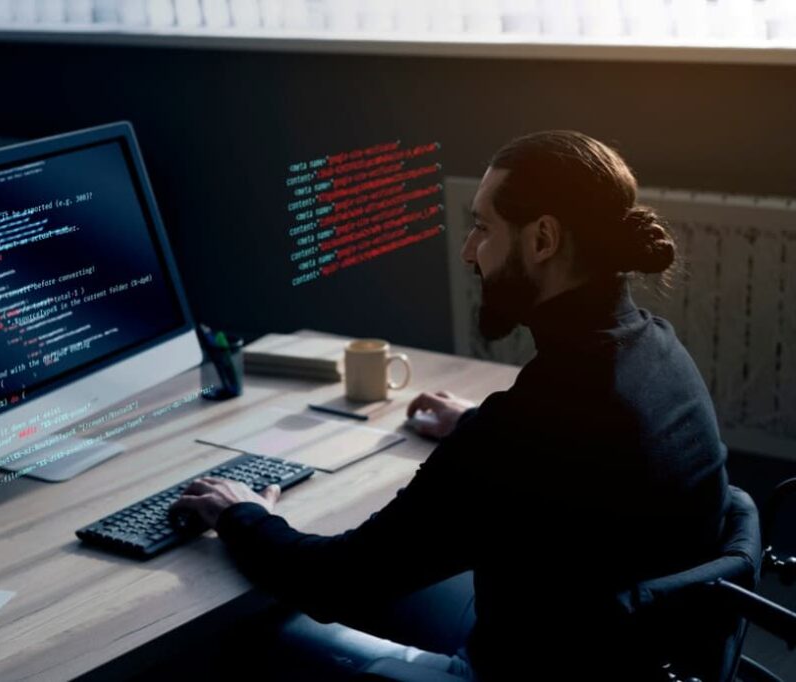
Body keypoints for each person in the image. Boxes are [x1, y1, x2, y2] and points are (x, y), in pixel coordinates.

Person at [171, 131, 729, 680]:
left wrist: (243, 514)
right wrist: (472, 423)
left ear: (542, 240)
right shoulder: (657, 351)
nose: (468, 251)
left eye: (483, 228)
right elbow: (573, 465)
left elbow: (336, 581)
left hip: (514, 668)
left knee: (254, 635)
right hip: (625, 658)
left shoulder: (531, 426)